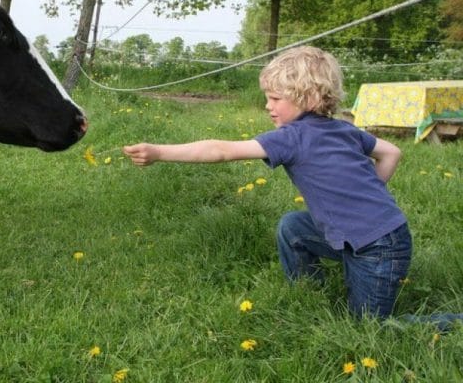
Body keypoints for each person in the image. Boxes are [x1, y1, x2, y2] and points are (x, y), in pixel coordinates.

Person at [123, 46, 412, 319]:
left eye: (275, 99)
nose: (267, 105)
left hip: (377, 248)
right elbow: (391, 152)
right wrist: (367, 195)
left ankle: (453, 322)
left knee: (371, 327)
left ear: (308, 97)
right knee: (293, 227)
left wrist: (160, 152)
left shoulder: (291, 137)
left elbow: (220, 151)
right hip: (384, 233)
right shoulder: (344, 129)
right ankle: (306, 292)